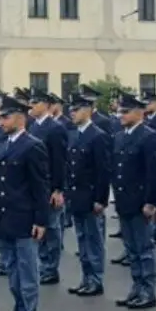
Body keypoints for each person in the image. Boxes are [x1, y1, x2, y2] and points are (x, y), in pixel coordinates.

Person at [0, 95, 49, 311]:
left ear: (19, 117)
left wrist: (41, 220)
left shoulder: (32, 145)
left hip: (25, 218)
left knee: (26, 273)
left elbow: (40, 187)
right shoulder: (4, 144)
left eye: (5, 117)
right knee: (13, 272)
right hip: (7, 217)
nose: (0, 121)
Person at [111, 93, 156, 309]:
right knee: (131, 248)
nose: (120, 115)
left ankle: (148, 290)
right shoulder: (120, 136)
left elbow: (153, 173)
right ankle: (136, 286)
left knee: (144, 248)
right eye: (120, 111)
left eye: (125, 111)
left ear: (139, 113)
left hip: (140, 201)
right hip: (124, 200)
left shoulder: (149, 136)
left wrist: (150, 202)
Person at [64, 93, 112, 296]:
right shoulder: (75, 134)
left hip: (90, 196)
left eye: (75, 109)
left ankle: (96, 279)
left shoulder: (98, 135)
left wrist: (101, 199)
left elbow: (103, 170)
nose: (71, 113)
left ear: (87, 110)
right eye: (71, 109)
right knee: (82, 240)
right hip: (77, 196)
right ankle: (86, 278)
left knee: (93, 240)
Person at [27, 91, 68, 286]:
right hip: (37, 185)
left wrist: (58, 189)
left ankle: (51, 268)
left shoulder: (55, 128)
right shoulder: (34, 126)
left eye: (35, 102)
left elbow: (59, 161)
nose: (31, 106)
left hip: (50, 185)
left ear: (46, 104)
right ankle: (44, 264)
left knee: (51, 228)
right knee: (41, 227)